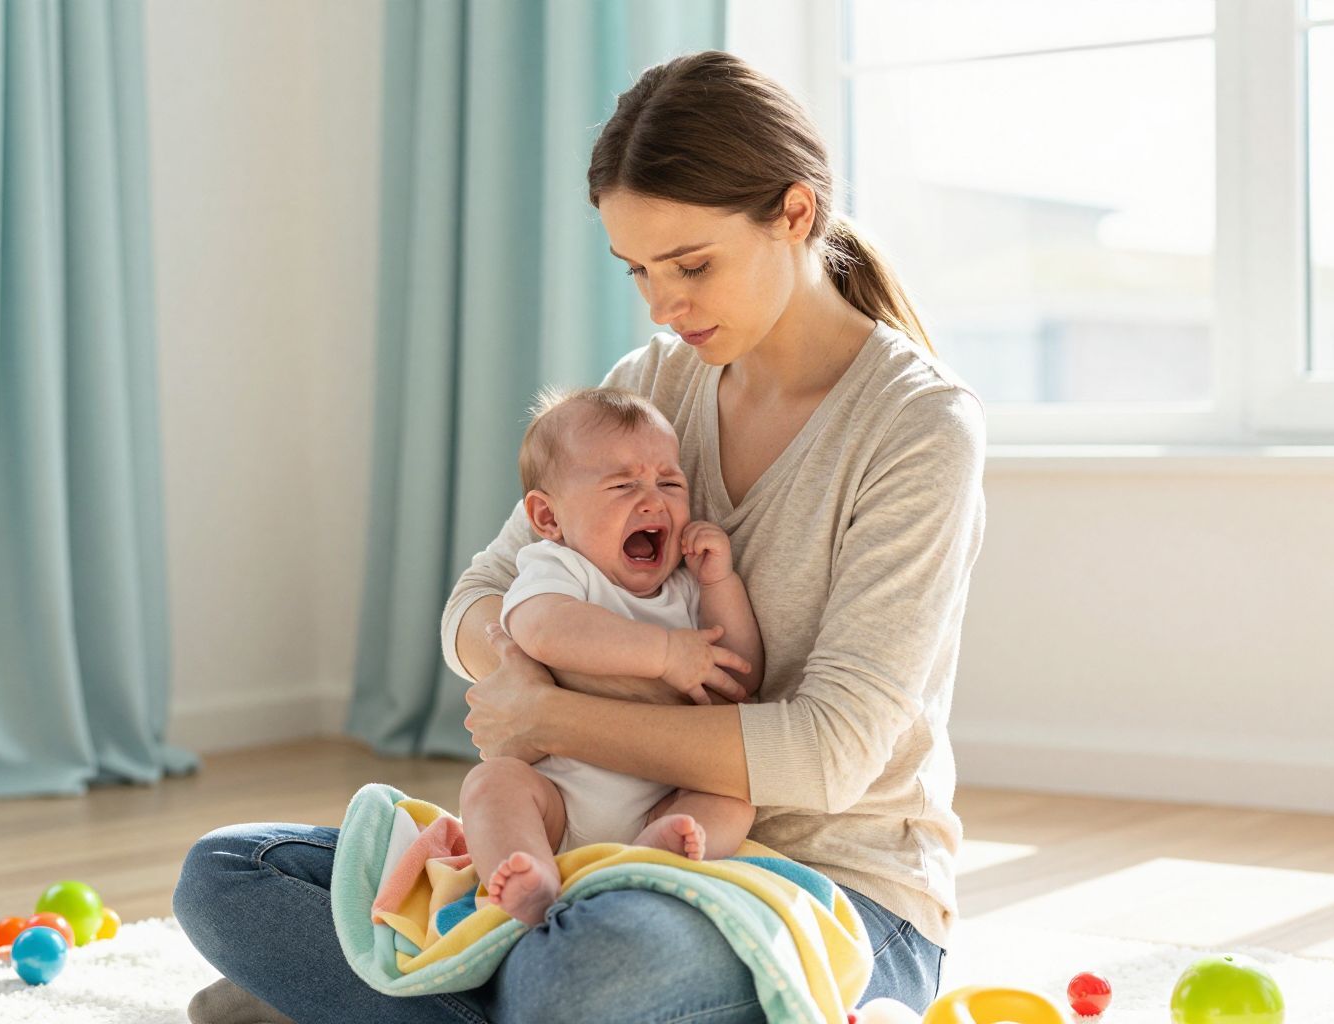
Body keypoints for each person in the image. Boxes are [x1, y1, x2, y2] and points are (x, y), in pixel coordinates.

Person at [174, 49, 984, 1023]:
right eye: (638, 270)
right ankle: (446, 986)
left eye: (692, 265)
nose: (664, 306)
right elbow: (477, 601)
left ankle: (381, 987)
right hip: (587, 855)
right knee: (228, 873)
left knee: (576, 974)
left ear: (795, 214)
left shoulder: (918, 426)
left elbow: (826, 756)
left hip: (832, 893)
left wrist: (551, 717)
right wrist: (530, 663)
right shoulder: (651, 385)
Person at [463, 385, 764, 927]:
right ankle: (529, 874)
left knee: (733, 800)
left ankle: (649, 860)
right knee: (492, 786)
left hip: (660, 798)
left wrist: (720, 583)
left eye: (670, 483)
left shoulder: (686, 586)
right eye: (623, 485)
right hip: (557, 798)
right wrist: (665, 653)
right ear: (548, 517)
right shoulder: (559, 568)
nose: (653, 501)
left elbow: (738, 677)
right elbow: (546, 631)